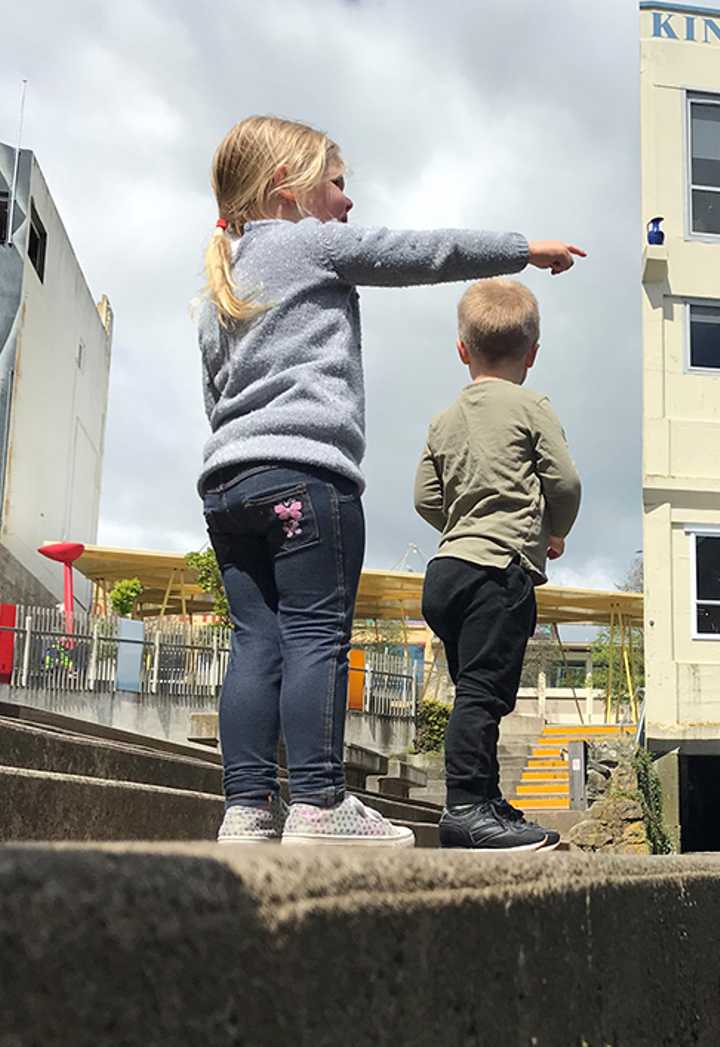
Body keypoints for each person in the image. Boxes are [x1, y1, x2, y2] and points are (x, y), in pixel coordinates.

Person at [196, 115, 583, 845]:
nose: (347, 203)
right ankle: (317, 806)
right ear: (290, 185)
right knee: (316, 632)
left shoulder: (223, 276)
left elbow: (215, 393)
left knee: (256, 641)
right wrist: (522, 251)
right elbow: (415, 253)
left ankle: (247, 810)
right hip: (306, 476)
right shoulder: (306, 243)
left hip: (227, 482)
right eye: (337, 184)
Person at [415, 279, 581, 852]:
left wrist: (461, 525)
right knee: (483, 695)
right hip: (498, 568)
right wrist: (554, 531)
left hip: (446, 572)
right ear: (532, 353)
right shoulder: (531, 405)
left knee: (472, 689)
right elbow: (565, 481)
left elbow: (424, 497)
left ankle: (484, 801)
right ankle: (464, 807)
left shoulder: (443, 418)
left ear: (462, 349)